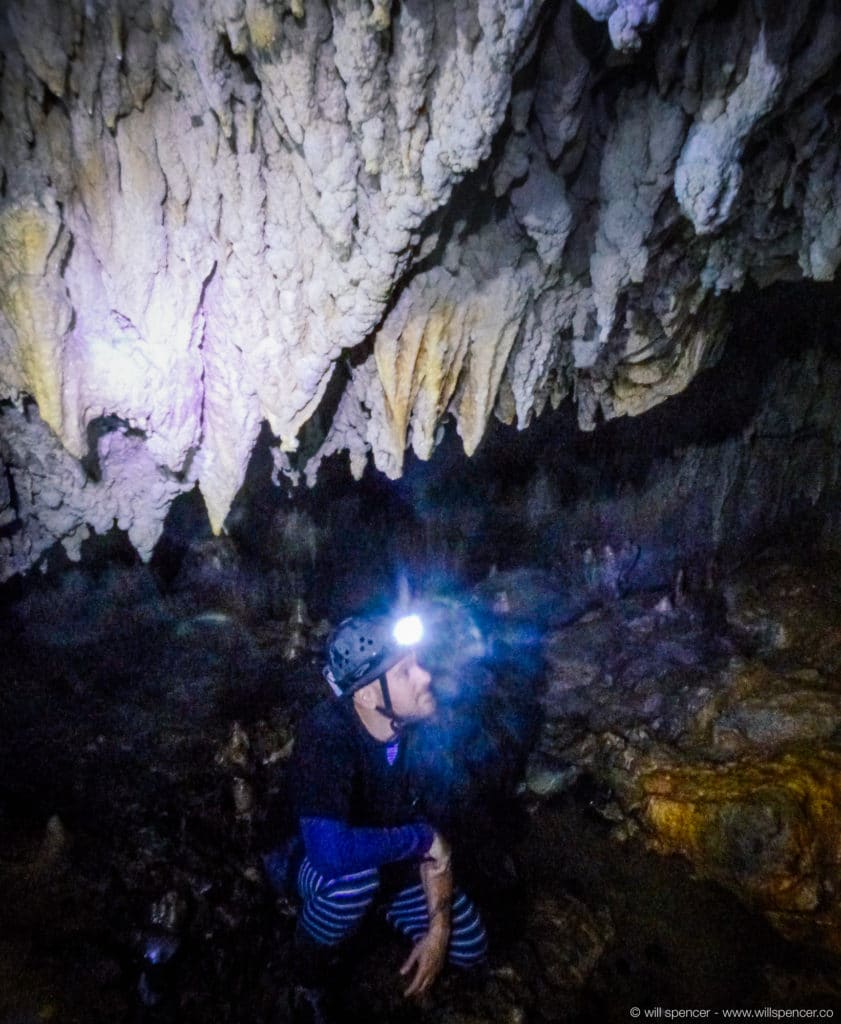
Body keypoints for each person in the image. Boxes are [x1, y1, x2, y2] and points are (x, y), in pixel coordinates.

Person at [287, 610, 488, 1022]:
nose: (424, 677)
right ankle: (305, 976)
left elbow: (440, 844)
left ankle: (371, 920)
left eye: (417, 662)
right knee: (352, 883)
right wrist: (418, 839)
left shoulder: (425, 735)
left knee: (469, 947)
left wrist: (438, 931)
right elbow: (329, 853)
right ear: (366, 695)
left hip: (391, 868)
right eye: (404, 673)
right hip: (306, 861)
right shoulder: (327, 736)